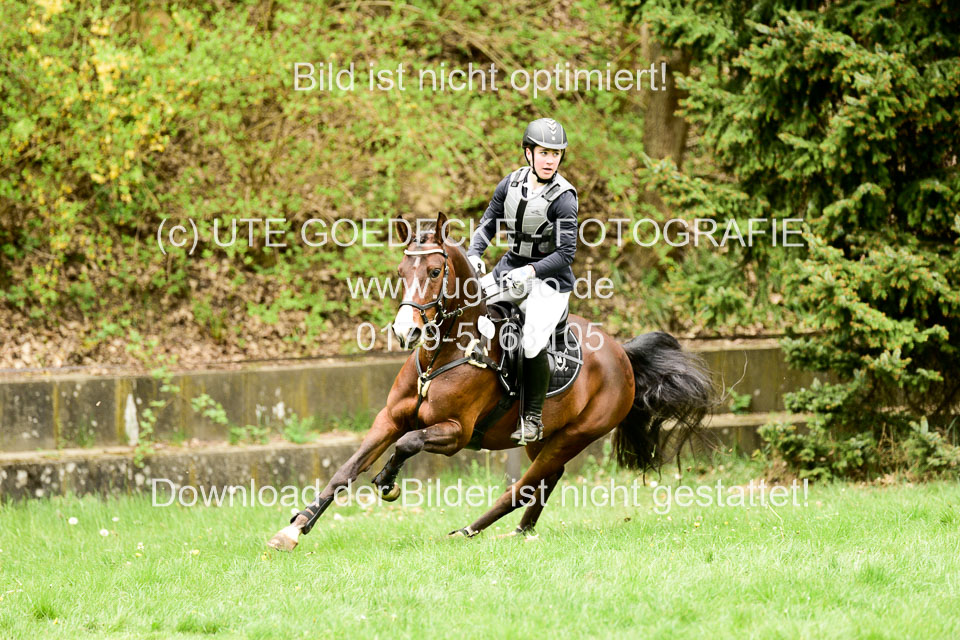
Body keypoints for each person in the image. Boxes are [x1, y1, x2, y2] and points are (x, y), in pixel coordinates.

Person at [466, 118, 579, 443]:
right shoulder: (510, 184)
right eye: (544, 153)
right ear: (529, 153)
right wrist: (474, 253)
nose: (550, 160)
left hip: (550, 282)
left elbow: (565, 254)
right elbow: (488, 223)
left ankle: (532, 418)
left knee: (531, 342)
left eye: (555, 154)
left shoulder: (564, 198)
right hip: (510, 268)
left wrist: (530, 272)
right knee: (470, 307)